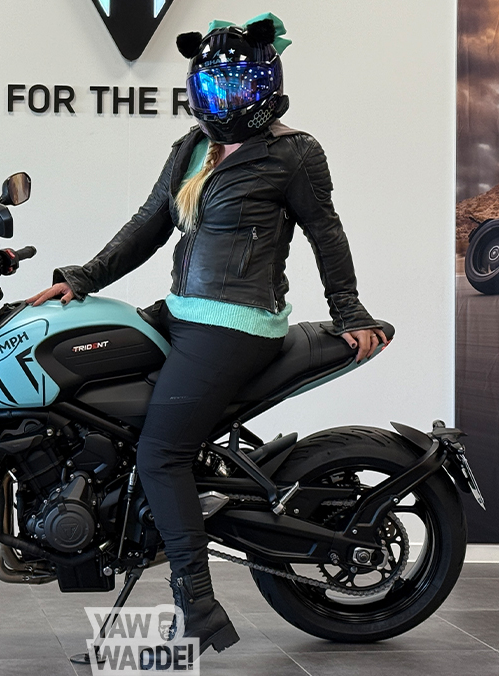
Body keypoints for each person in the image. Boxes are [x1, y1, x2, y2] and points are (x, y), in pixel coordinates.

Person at [27, 14, 386, 656]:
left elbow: (326, 233)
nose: (223, 100)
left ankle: (196, 603)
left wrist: (350, 310)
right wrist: (81, 278)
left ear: (266, 87)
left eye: (236, 87)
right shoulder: (191, 147)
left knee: (160, 452)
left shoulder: (293, 152)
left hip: (236, 325)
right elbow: (149, 223)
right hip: (183, 312)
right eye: (212, 87)